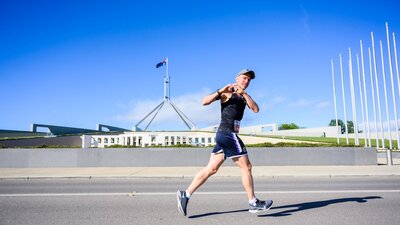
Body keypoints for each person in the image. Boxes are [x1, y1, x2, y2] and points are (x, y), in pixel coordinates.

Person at [177, 69, 273, 216]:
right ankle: (253, 202)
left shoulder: (244, 96)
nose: (246, 81)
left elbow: (255, 109)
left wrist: (244, 94)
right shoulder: (227, 92)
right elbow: (204, 101)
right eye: (244, 78)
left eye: (249, 80)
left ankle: (186, 194)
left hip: (224, 137)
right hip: (228, 134)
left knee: (211, 169)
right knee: (246, 167)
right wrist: (220, 90)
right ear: (237, 78)